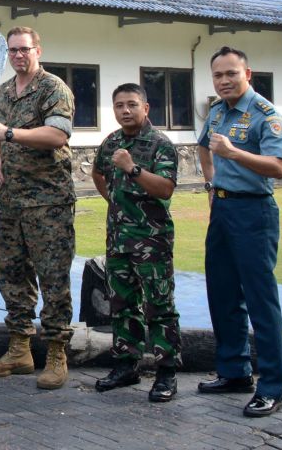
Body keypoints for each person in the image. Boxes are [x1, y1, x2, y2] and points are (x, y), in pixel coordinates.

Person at [197, 46, 282, 418]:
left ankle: (271, 387)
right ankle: (235, 372)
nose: (224, 81)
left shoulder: (265, 115)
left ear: (247, 74)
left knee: (260, 300)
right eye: (218, 75)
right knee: (221, 293)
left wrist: (235, 154)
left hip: (254, 212)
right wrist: (210, 184)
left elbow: (279, 167)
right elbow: (203, 148)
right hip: (222, 209)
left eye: (231, 74)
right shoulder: (218, 110)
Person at [0, 26, 75, 389]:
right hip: (12, 201)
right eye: (12, 51)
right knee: (11, 273)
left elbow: (57, 135)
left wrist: (9, 135)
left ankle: (56, 352)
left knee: (53, 276)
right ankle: (19, 349)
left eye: (24, 49)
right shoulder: (4, 93)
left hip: (48, 201)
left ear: (38, 49)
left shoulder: (53, 88)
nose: (18, 56)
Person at [91, 83, 181, 402]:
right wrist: (115, 202)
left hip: (151, 240)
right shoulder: (111, 141)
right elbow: (98, 172)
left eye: (131, 104)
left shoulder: (160, 145)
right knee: (122, 304)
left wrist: (133, 168)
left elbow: (166, 189)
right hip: (118, 239)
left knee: (159, 306)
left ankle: (166, 372)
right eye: (119, 105)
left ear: (146, 107)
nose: (125, 110)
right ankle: (127, 366)